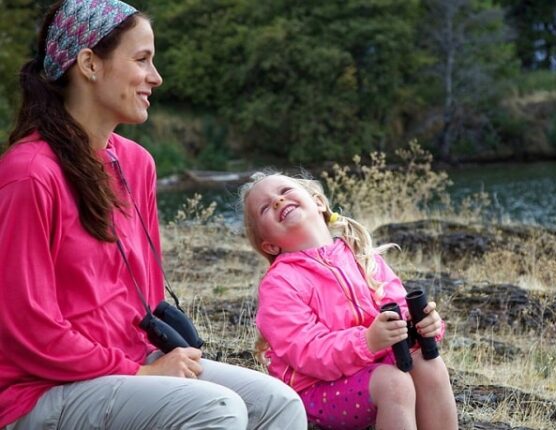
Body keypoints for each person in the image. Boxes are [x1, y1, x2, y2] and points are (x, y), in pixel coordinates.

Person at [0, 1, 306, 429]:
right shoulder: (30, 173)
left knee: (279, 402)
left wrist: (148, 364)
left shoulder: (136, 164)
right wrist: (140, 373)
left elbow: (144, 294)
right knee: (216, 409)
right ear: (89, 64)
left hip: (130, 363)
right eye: (142, 59)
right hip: (42, 389)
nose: (156, 77)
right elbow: (25, 328)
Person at [240, 171, 459, 430]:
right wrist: (367, 341)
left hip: (371, 367)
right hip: (316, 389)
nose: (278, 201)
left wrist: (423, 325)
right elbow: (307, 351)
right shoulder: (280, 283)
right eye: (265, 208)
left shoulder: (360, 254)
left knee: (429, 363)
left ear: (318, 202)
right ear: (270, 246)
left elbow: (398, 307)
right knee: (394, 384)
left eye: (285, 191)